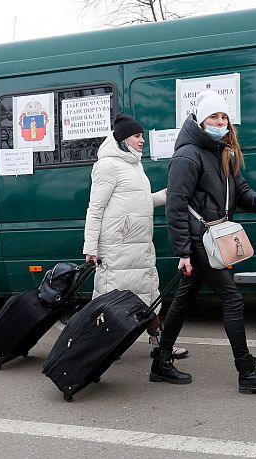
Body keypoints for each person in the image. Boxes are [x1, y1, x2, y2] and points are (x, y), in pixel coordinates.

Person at [154, 91, 256, 394]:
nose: (219, 121)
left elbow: (240, 190)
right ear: (201, 120)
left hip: (214, 237)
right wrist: (184, 252)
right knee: (233, 299)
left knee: (184, 299)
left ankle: (160, 362)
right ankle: (246, 372)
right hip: (201, 240)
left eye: (223, 116)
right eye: (213, 116)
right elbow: (176, 205)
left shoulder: (221, 150)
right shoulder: (188, 155)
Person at [82, 113, 188, 359]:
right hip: (117, 247)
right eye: (137, 136)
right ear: (122, 138)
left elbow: (139, 202)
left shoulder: (135, 165)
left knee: (149, 295)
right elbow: (95, 208)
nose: (142, 140)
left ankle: (160, 344)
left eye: (141, 136)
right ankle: (100, 348)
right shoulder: (107, 166)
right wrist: (91, 247)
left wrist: (166, 194)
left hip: (139, 245)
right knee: (113, 301)